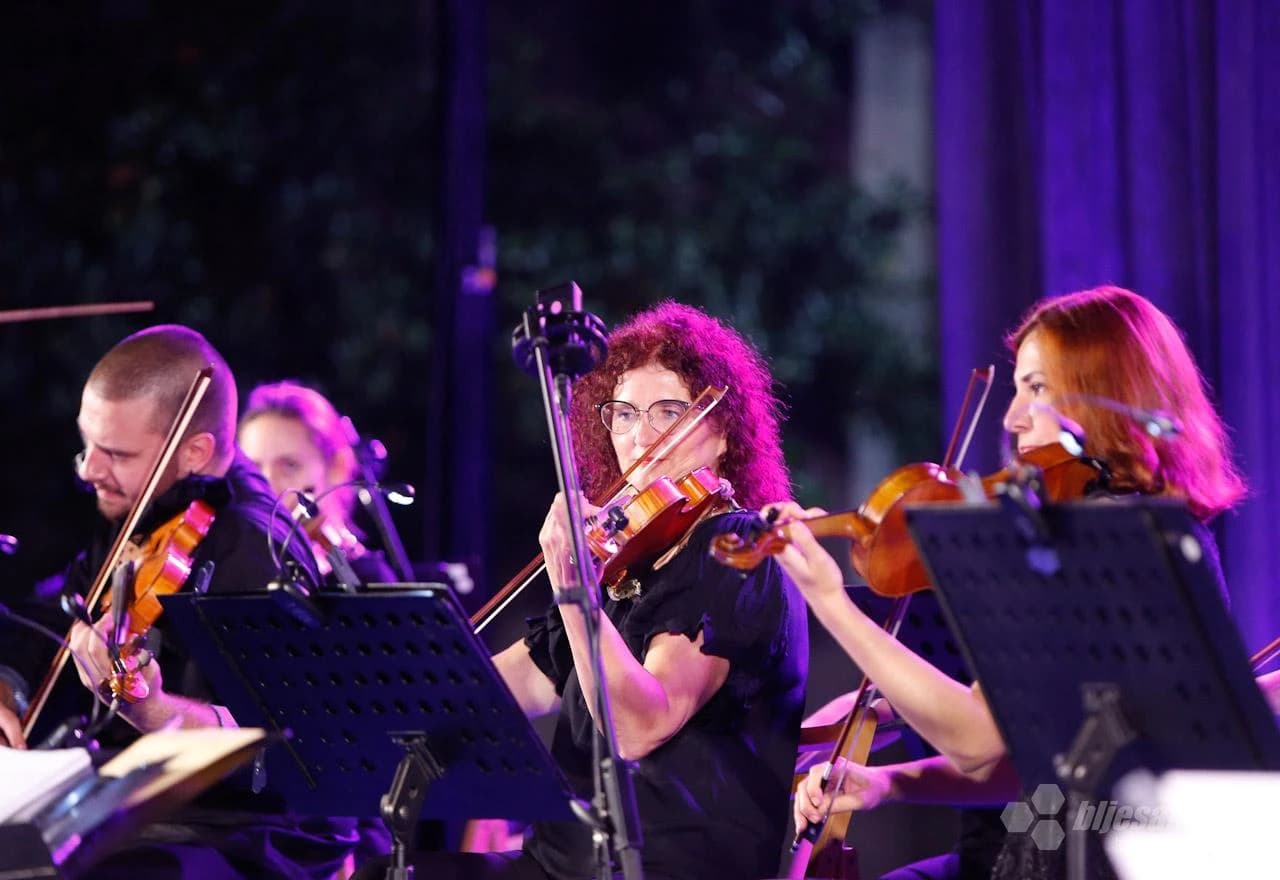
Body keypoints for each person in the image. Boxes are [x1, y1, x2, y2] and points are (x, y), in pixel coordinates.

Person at [771, 286, 1247, 880]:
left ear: (1108, 394)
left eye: (1038, 389)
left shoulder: (1120, 541)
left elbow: (976, 740)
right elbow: (1038, 757)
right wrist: (884, 784)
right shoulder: (1079, 531)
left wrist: (830, 600)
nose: (1012, 417)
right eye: (1017, 387)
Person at [354, 300, 808, 880]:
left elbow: (639, 725)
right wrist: (398, 689)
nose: (640, 436)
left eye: (667, 412)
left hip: (659, 867)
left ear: (721, 432)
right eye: (622, 414)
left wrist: (574, 588)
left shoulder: (738, 551)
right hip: (558, 864)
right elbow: (505, 688)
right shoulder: (625, 564)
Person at [0, 325, 360, 879]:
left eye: (116, 453)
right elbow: (48, 618)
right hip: (146, 806)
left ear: (195, 452)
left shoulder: (257, 551)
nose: (91, 469)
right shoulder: (140, 508)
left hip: (248, 832)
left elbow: (283, 751)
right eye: (87, 444)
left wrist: (154, 710)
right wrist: (7, 688)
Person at [237, 379, 396, 586]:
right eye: (254, 468)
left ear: (338, 467)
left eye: (289, 465)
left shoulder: (370, 581)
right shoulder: (232, 565)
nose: (267, 485)